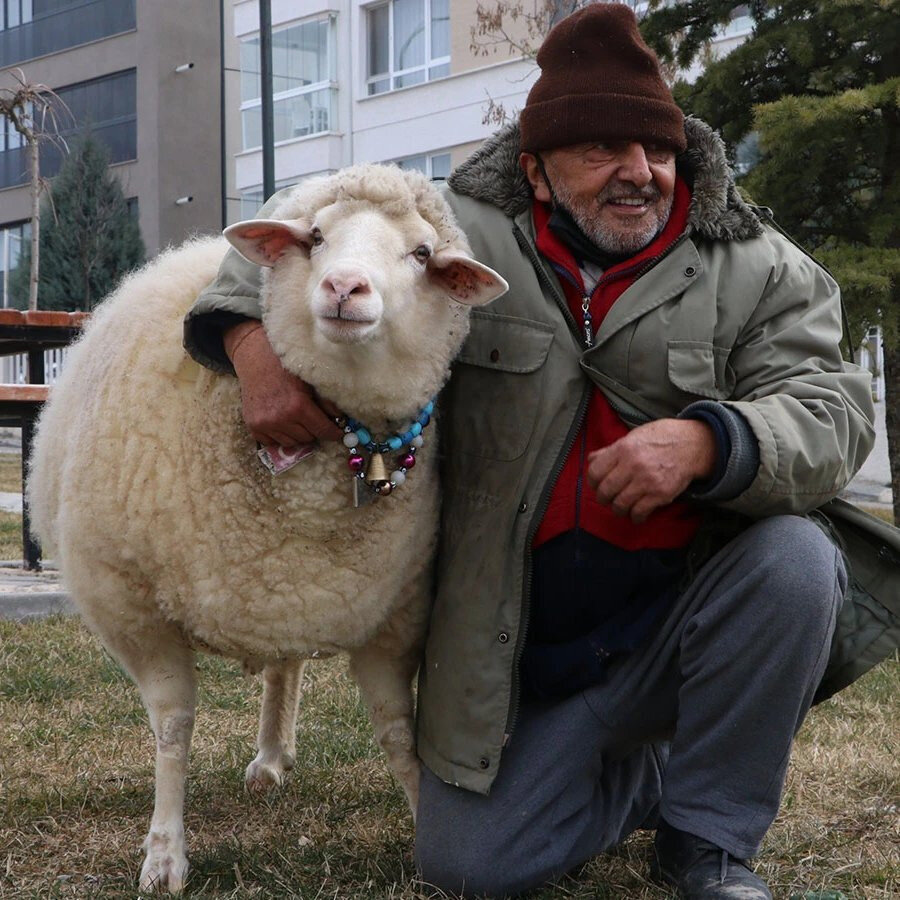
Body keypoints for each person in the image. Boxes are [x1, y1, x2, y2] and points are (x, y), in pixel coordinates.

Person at [184, 6, 887, 898]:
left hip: (677, 623)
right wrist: (250, 351)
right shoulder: (451, 228)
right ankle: (647, 776)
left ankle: (708, 843)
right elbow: (274, 248)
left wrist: (713, 440)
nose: (639, 173)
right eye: (602, 151)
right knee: (473, 867)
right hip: (515, 652)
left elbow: (829, 406)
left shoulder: (755, 263)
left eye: (658, 151)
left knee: (794, 560)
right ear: (536, 172)